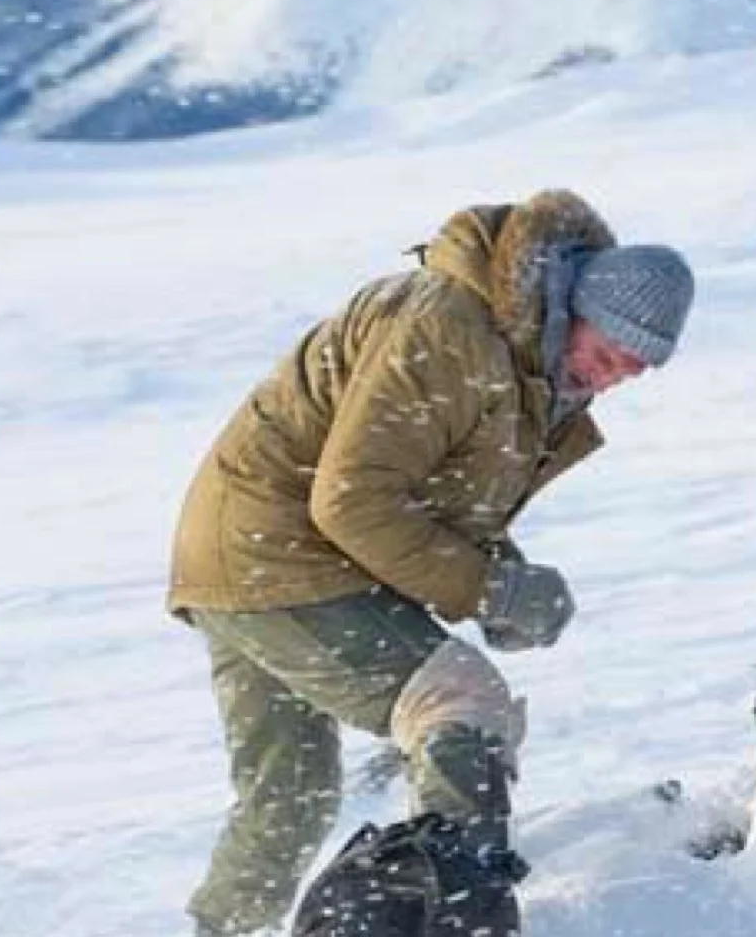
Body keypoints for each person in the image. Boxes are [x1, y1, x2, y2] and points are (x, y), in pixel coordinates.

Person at [168, 191, 694, 937]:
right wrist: (490, 589)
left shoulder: (524, 358)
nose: (608, 379)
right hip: (278, 551)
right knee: (459, 702)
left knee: (289, 797)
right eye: (607, 356)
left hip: (241, 550)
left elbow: (440, 494)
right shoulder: (452, 331)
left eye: (631, 372)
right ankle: (458, 920)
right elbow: (353, 502)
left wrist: (501, 576)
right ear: (572, 308)